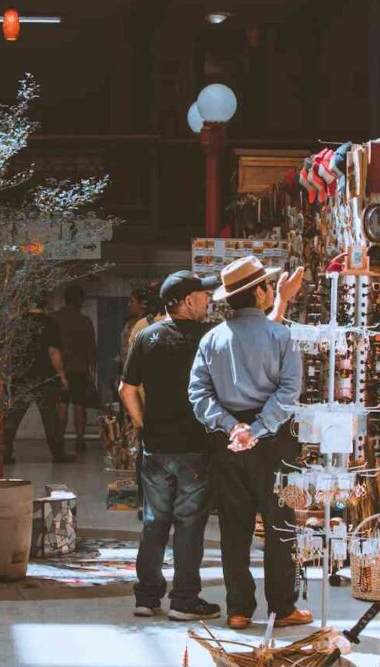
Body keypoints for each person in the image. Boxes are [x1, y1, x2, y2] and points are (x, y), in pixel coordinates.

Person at [189, 256, 309, 631]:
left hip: (229, 442)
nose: (271, 290)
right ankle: (282, 607)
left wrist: (232, 428)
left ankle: (238, 609)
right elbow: (289, 392)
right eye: (268, 286)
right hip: (274, 441)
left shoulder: (212, 339)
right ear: (259, 292)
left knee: (234, 527)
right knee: (280, 524)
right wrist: (256, 429)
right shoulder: (280, 337)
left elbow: (198, 394)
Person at [119, 271, 221, 620]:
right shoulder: (208, 338)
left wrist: (144, 424)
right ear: (188, 301)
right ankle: (184, 599)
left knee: (154, 522)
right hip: (195, 446)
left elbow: (126, 389)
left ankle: (146, 598)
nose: (208, 301)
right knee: (190, 524)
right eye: (203, 296)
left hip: (156, 447)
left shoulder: (145, 337)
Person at [4, 297, 73, 465]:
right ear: (45, 303)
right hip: (44, 377)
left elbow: (9, 352)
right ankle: (58, 454)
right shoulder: (50, 323)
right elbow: (53, 352)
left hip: (21, 377)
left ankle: (4, 454)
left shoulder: (17, 323)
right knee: (50, 418)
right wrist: (62, 376)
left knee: (13, 417)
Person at [53, 284, 97, 453]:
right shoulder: (85, 321)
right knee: (79, 405)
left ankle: (60, 439)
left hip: (60, 370)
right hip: (80, 369)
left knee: (61, 406)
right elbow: (92, 350)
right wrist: (92, 371)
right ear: (80, 301)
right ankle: (80, 440)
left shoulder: (54, 318)